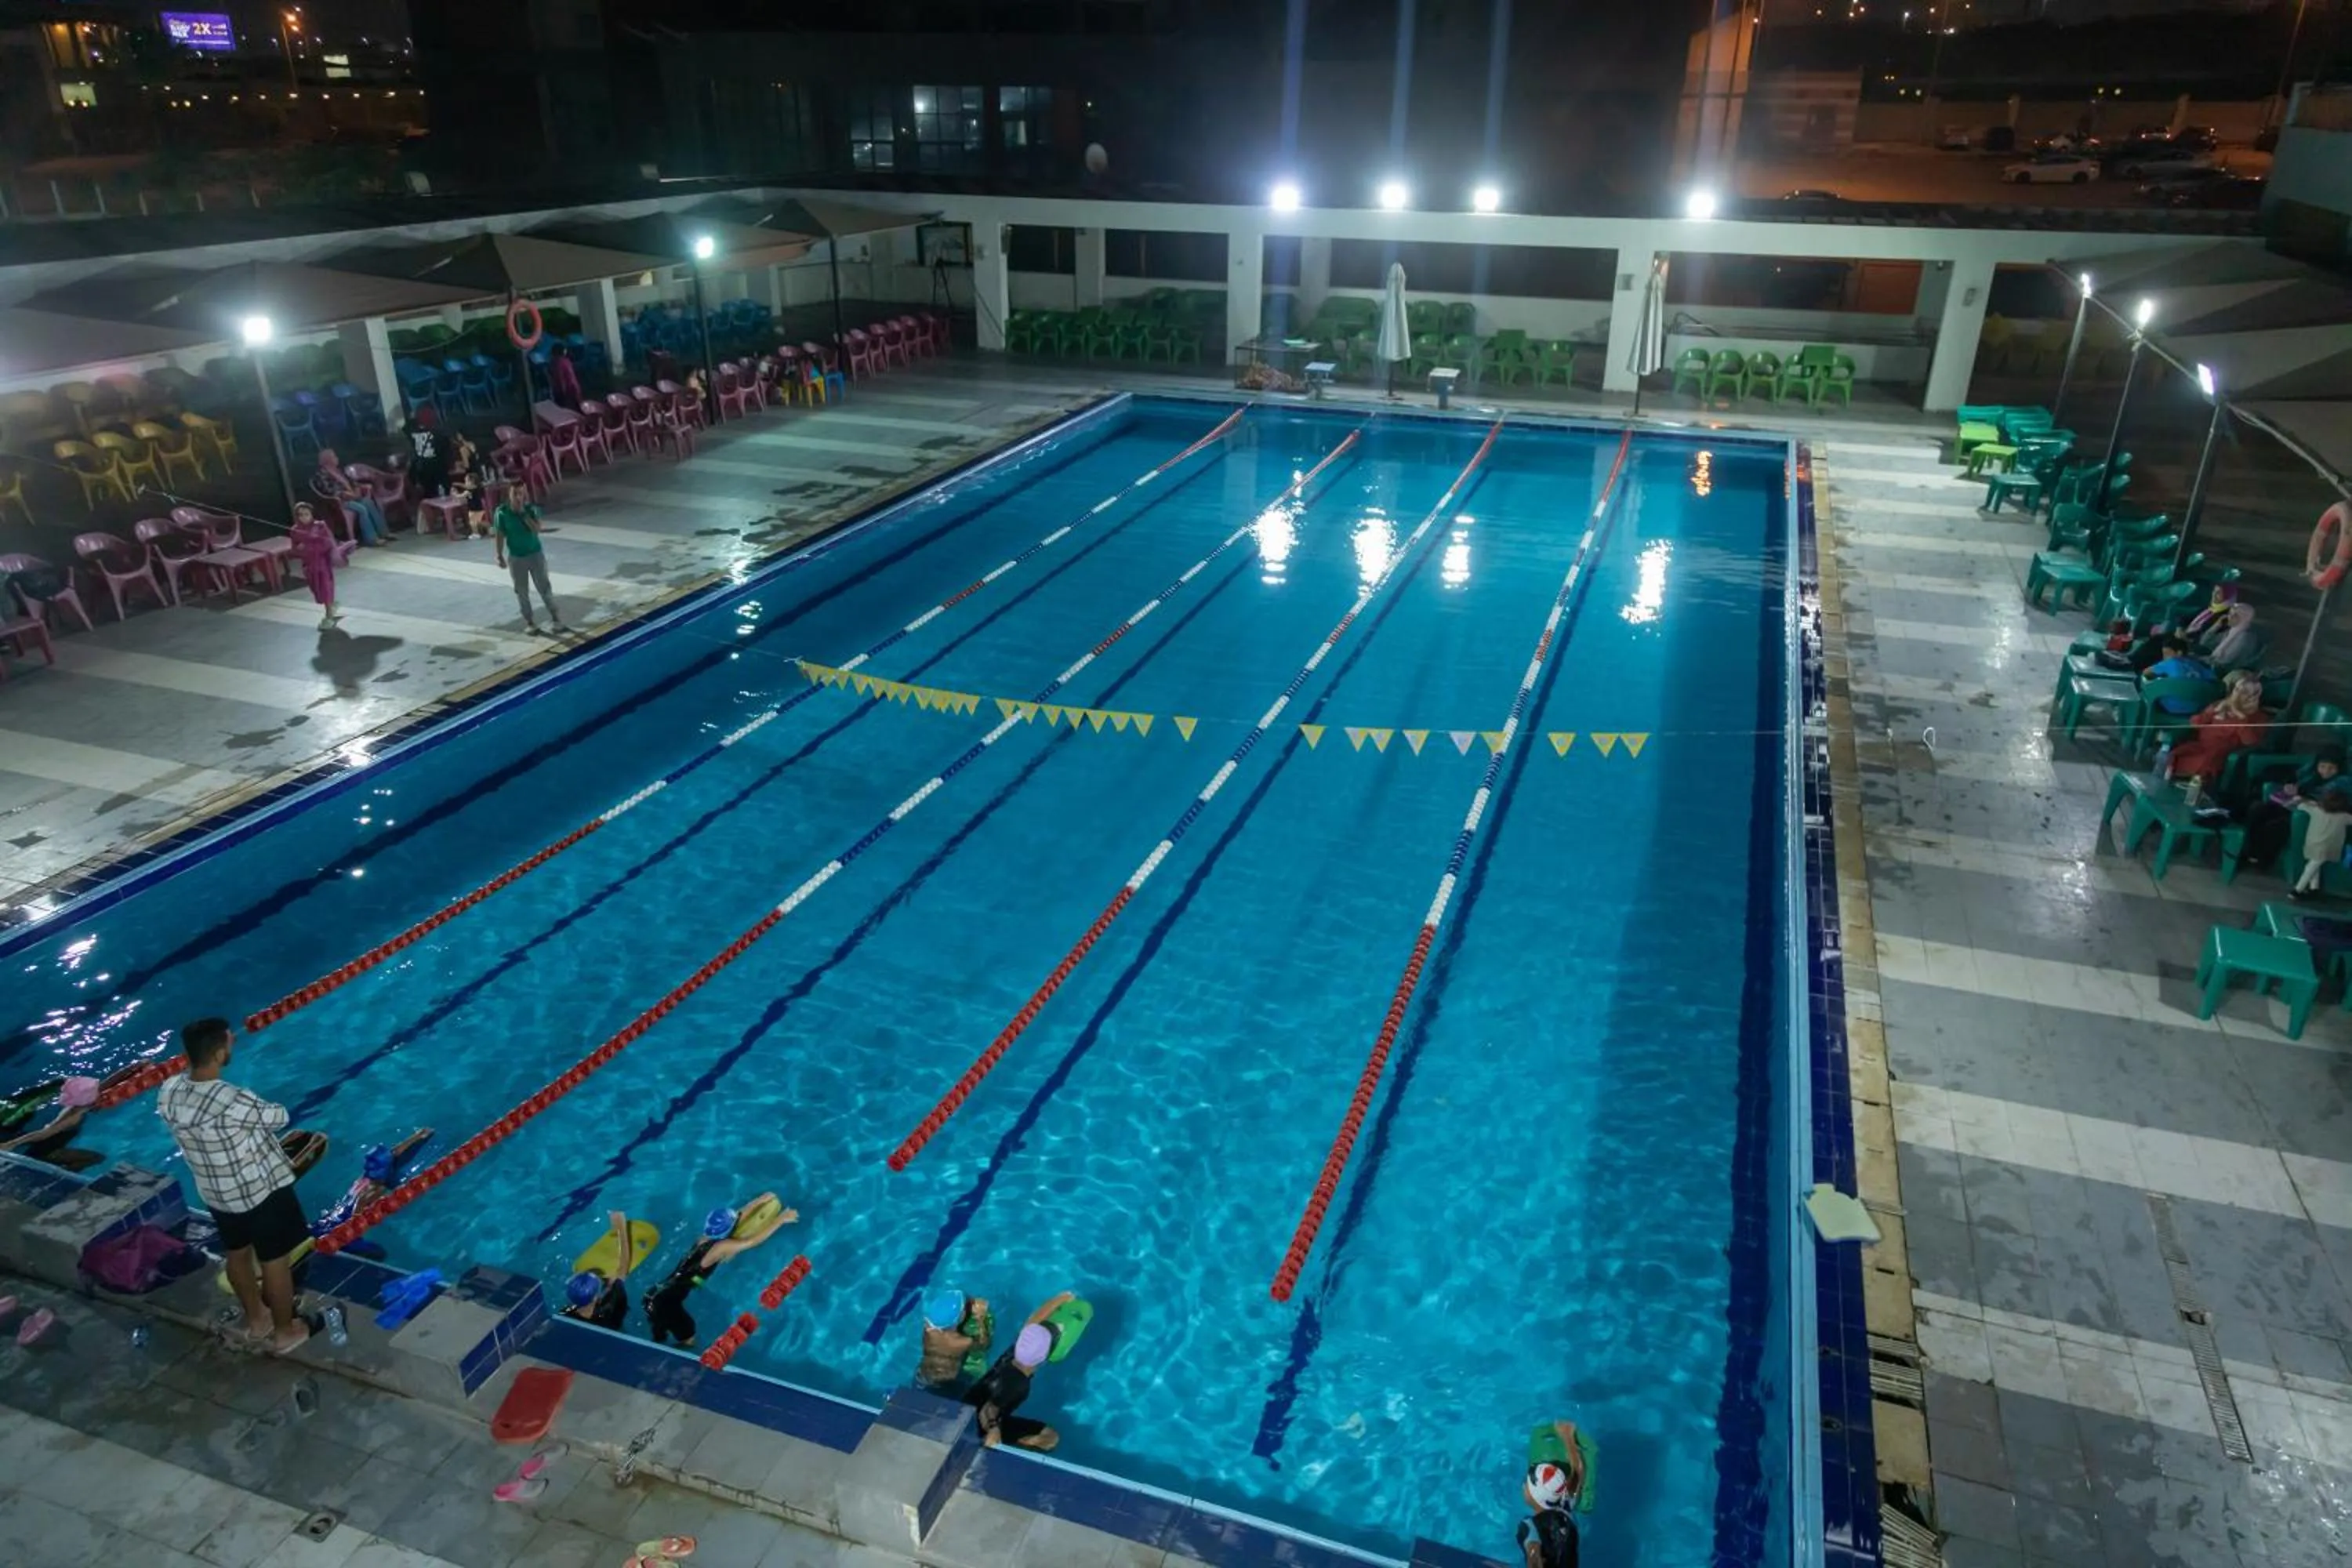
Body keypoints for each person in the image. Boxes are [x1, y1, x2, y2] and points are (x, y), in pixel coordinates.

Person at [156, 1018, 310, 1353]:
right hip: (259, 1194)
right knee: (275, 1262)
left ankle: (257, 1321)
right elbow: (280, 1117)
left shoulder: (169, 1090)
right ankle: (285, 1332)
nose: (233, 1045)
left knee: (237, 1255)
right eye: (230, 1042)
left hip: (217, 1193)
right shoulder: (232, 1099)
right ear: (218, 1053)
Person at [643, 1195, 795, 1348]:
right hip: (666, 1304)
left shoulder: (703, 1238)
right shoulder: (720, 1247)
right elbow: (752, 1242)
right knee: (689, 1340)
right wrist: (781, 1220)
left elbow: (736, 1217)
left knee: (661, 1331)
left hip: (653, 1294)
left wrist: (760, 1200)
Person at [960, 1294, 1075, 1451]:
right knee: (1050, 1439)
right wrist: (994, 1430)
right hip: (978, 1426)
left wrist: (1060, 1299)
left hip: (965, 1406)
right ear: (1044, 1358)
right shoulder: (1017, 1384)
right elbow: (988, 1410)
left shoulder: (1015, 1352)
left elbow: (1033, 1320)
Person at [2240, 750, 2345, 871]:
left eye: (2332, 768)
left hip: (2309, 816)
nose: (2326, 771)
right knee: (2257, 810)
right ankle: (2249, 852)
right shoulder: (2312, 775)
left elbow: (2329, 802)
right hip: (2291, 805)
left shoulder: (2341, 782)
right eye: (2323, 767)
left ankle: (2263, 860)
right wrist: (2290, 788)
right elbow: (2296, 779)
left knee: (2277, 826)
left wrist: (2304, 799)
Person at [2164, 670, 2270, 786]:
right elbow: (2195, 723)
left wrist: (2241, 717)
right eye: (2237, 689)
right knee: (2174, 755)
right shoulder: (2220, 705)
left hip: (2222, 753)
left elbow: (2250, 741)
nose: (2238, 694)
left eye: (2244, 692)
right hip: (2201, 746)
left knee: (2208, 761)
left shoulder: (2258, 717)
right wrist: (2212, 712)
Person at [492, 491, 567, 635]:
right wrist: (499, 554)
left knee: (544, 587)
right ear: (510, 496)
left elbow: (536, 529)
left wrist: (523, 514)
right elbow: (499, 534)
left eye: (522, 494)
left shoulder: (531, 509)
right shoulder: (502, 513)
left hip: (535, 554)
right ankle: (530, 622)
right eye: (516, 494)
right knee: (521, 591)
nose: (519, 498)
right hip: (516, 557)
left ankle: (556, 618)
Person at [0, 1075, 100, 1171]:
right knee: (96, 1158)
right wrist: (11, 1144)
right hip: (46, 1152)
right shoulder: (74, 1116)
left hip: (46, 1145)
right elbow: (45, 1134)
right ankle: (54, 1176)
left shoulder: (76, 1109)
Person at [562, 1210, 636, 1330]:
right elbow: (623, 1269)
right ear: (596, 1297)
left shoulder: (565, 1314)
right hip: (613, 1326)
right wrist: (621, 1228)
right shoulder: (610, 1306)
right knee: (615, 1283)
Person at [1518, 1439, 1584, 1568]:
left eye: (1527, 1484)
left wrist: (1567, 1435)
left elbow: (1534, 1555)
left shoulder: (1529, 1526)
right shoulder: (1567, 1505)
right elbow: (1578, 1471)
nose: (1523, 1485)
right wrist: (1569, 1439)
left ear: (1535, 1497)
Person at [916, 1287, 993, 1391]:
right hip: (950, 1379)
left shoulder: (928, 1329)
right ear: (960, 1318)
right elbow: (984, 1345)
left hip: (925, 1372)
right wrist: (981, 1319)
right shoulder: (961, 1342)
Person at [313, 451, 388, 546]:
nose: (337, 458)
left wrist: (356, 489)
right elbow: (329, 491)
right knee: (362, 509)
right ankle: (372, 540)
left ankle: (384, 533)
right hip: (339, 502)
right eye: (334, 457)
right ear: (327, 460)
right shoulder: (321, 474)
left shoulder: (339, 471)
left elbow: (352, 482)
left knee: (369, 503)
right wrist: (346, 494)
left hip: (352, 497)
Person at [2292, 788, 2352, 898]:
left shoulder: (2316, 810)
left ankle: (2308, 889)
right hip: (2328, 847)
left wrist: (2309, 802)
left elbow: (2301, 806)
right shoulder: (2344, 817)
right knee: (2313, 867)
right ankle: (2299, 890)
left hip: (2313, 843)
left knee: (2312, 866)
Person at [289, 503, 340, 630]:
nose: (303, 517)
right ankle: (331, 605)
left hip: (322, 564)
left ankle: (329, 615)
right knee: (316, 590)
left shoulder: (320, 526)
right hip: (309, 565)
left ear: (311, 514)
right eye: (300, 515)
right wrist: (300, 549)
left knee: (325, 588)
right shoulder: (295, 530)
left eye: (306, 514)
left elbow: (329, 543)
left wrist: (313, 542)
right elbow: (294, 550)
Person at [2142, 638, 2214, 713]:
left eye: (2167, 654)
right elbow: (2213, 680)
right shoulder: (2198, 665)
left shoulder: (2171, 662)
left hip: (2171, 707)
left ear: (2179, 653)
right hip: (2196, 708)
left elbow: (2146, 673)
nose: (2164, 658)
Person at [406, 405, 452, 499]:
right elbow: (446, 447)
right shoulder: (438, 432)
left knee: (428, 496)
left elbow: (407, 426)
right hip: (438, 468)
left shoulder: (412, 432)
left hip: (422, 470)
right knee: (444, 493)